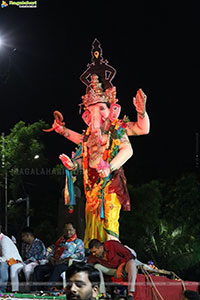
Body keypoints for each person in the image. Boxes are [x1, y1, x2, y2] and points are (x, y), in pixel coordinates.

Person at [45, 39, 150, 249]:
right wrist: (70, 160)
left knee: (110, 227)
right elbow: (80, 146)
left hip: (110, 185)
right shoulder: (89, 136)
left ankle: (113, 259)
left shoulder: (116, 128)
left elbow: (140, 132)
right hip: (91, 188)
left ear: (112, 110)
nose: (96, 115)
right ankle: (93, 263)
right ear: (86, 114)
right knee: (91, 231)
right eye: (92, 110)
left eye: (101, 109)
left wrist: (141, 112)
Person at [33, 222, 85, 291]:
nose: (68, 232)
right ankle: (36, 290)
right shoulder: (60, 241)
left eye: (70, 230)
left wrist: (69, 258)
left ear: (75, 230)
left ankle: (48, 289)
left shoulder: (78, 242)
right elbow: (52, 251)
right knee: (38, 268)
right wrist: (51, 257)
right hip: (56, 262)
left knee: (57, 268)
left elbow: (81, 255)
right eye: (66, 230)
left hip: (68, 264)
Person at [0, 225, 24, 293]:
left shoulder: (4, 240)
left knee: (3, 264)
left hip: (14, 261)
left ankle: (2, 290)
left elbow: (6, 257)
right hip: (7, 261)